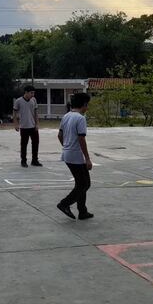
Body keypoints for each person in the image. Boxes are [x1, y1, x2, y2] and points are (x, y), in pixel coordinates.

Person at [56, 93, 94, 221]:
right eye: (87, 105)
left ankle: (82, 211)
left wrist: (66, 146)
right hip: (76, 155)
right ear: (84, 104)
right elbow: (81, 139)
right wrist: (87, 158)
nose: (87, 107)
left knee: (81, 183)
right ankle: (64, 203)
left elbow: (59, 135)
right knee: (84, 184)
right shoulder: (80, 118)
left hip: (67, 154)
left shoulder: (66, 116)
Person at [14, 85, 41, 167]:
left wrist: (37, 123)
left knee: (35, 143)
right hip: (24, 126)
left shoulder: (34, 100)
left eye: (33, 93)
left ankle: (34, 160)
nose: (33, 95)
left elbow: (36, 113)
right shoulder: (18, 101)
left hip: (33, 125)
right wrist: (16, 124)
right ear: (26, 92)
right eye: (31, 93)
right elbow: (14, 113)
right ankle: (23, 161)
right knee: (24, 144)